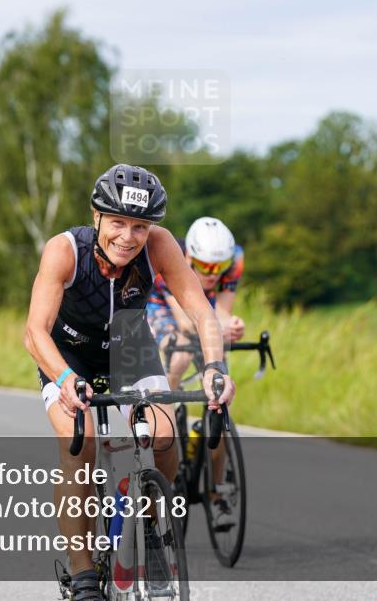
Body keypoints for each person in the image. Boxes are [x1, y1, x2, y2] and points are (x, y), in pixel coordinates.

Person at [23, 164, 235, 600]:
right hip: (69, 354)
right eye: (117, 222)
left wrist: (215, 368)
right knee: (77, 444)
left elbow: (199, 308)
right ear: (96, 216)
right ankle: (83, 576)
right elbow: (34, 331)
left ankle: (158, 530)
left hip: (128, 343)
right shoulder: (65, 250)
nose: (128, 236)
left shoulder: (158, 246)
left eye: (140, 225)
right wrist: (64, 378)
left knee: (163, 432)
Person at [145, 216, 244, 529]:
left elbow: (222, 311)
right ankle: (165, 413)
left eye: (219, 267)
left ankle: (218, 495)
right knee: (179, 355)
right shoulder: (172, 258)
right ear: (190, 257)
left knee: (221, 402)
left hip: (202, 310)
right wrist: (218, 327)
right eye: (205, 267)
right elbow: (187, 323)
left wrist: (230, 325)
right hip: (163, 306)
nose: (213, 274)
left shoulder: (234, 261)